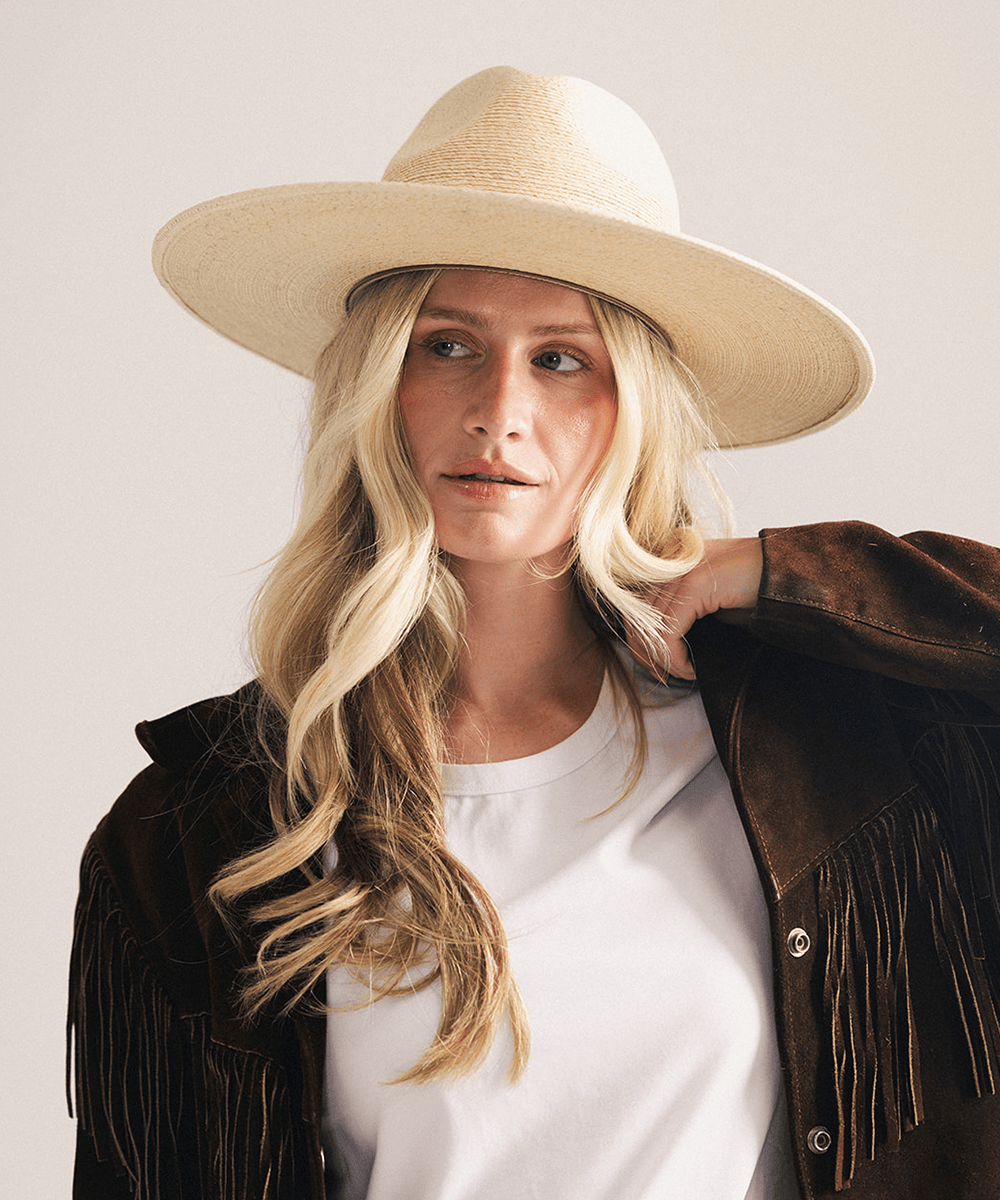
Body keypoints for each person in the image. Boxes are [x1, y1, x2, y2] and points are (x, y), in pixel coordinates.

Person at [67, 66, 1000, 1200]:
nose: (498, 411)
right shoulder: (197, 828)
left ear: (632, 409)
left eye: (562, 360)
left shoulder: (826, 749)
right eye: (446, 345)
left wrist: (781, 572)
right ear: (376, 382)